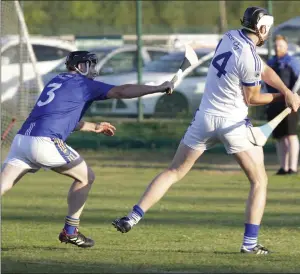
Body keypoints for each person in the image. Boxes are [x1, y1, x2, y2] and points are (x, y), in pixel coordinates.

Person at [112, 7, 300, 255]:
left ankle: (132, 217)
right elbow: (252, 98)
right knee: (259, 181)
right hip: (232, 124)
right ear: (263, 29)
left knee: (173, 171)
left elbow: (263, 68)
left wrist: (287, 92)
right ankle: (249, 244)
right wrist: (284, 97)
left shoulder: (229, 36)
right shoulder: (251, 58)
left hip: (204, 119)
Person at [0, 51, 173, 248]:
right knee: (86, 177)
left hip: (22, 140)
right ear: (81, 66)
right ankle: (70, 231)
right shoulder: (83, 83)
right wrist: (158, 88)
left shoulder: (57, 80)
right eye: (91, 64)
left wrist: (94, 127)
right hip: (44, 141)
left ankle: (70, 231)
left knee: (3, 185)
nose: (95, 69)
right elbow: (122, 91)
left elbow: (63, 117)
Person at [265, 35, 300, 175]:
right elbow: (264, 83)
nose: (277, 48)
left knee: (291, 135)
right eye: (276, 45)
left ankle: (293, 168)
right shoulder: (271, 63)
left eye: (281, 45)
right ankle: (283, 167)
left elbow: (299, 79)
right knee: (279, 137)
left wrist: (292, 96)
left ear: (286, 47)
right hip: (274, 103)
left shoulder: (292, 62)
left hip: (289, 104)